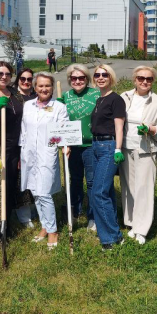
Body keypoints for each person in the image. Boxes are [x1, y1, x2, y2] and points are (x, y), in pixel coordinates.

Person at [0, 62, 34, 241]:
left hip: (15, 147)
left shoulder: (15, 94)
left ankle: (7, 222)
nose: (4, 77)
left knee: (10, 185)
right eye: (0, 73)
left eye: (7, 74)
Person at [119, 66, 157, 245]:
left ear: (153, 82)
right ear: (134, 79)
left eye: (149, 79)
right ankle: (131, 222)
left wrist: (152, 129)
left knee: (144, 189)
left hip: (146, 150)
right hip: (126, 148)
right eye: (141, 78)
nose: (144, 82)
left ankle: (142, 229)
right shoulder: (125, 97)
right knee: (130, 186)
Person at [20, 72, 70, 249]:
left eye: (47, 86)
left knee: (44, 193)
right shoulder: (28, 106)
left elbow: (63, 131)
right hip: (28, 155)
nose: (44, 89)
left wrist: (65, 144)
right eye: (40, 86)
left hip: (46, 153)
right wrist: (21, 153)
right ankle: (44, 226)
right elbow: (23, 131)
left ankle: (53, 230)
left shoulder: (59, 107)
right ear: (35, 88)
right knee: (34, 191)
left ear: (52, 88)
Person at [89, 64, 126, 249]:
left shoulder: (115, 99)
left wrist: (118, 149)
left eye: (104, 74)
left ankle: (111, 238)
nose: (101, 77)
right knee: (107, 192)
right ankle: (113, 232)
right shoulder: (99, 99)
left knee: (98, 193)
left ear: (110, 77)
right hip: (96, 146)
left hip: (109, 146)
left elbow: (119, 127)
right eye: (97, 75)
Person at [61, 64, 99, 222]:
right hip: (72, 146)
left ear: (87, 79)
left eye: (81, 77)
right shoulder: (64, 96)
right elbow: (59, 122)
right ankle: (75, 213)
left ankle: (92, 216)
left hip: (90, 145)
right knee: (75, 180)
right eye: (74, 78)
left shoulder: (96, 94)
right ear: (70, 79)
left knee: (91, 181)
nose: (77, 81)